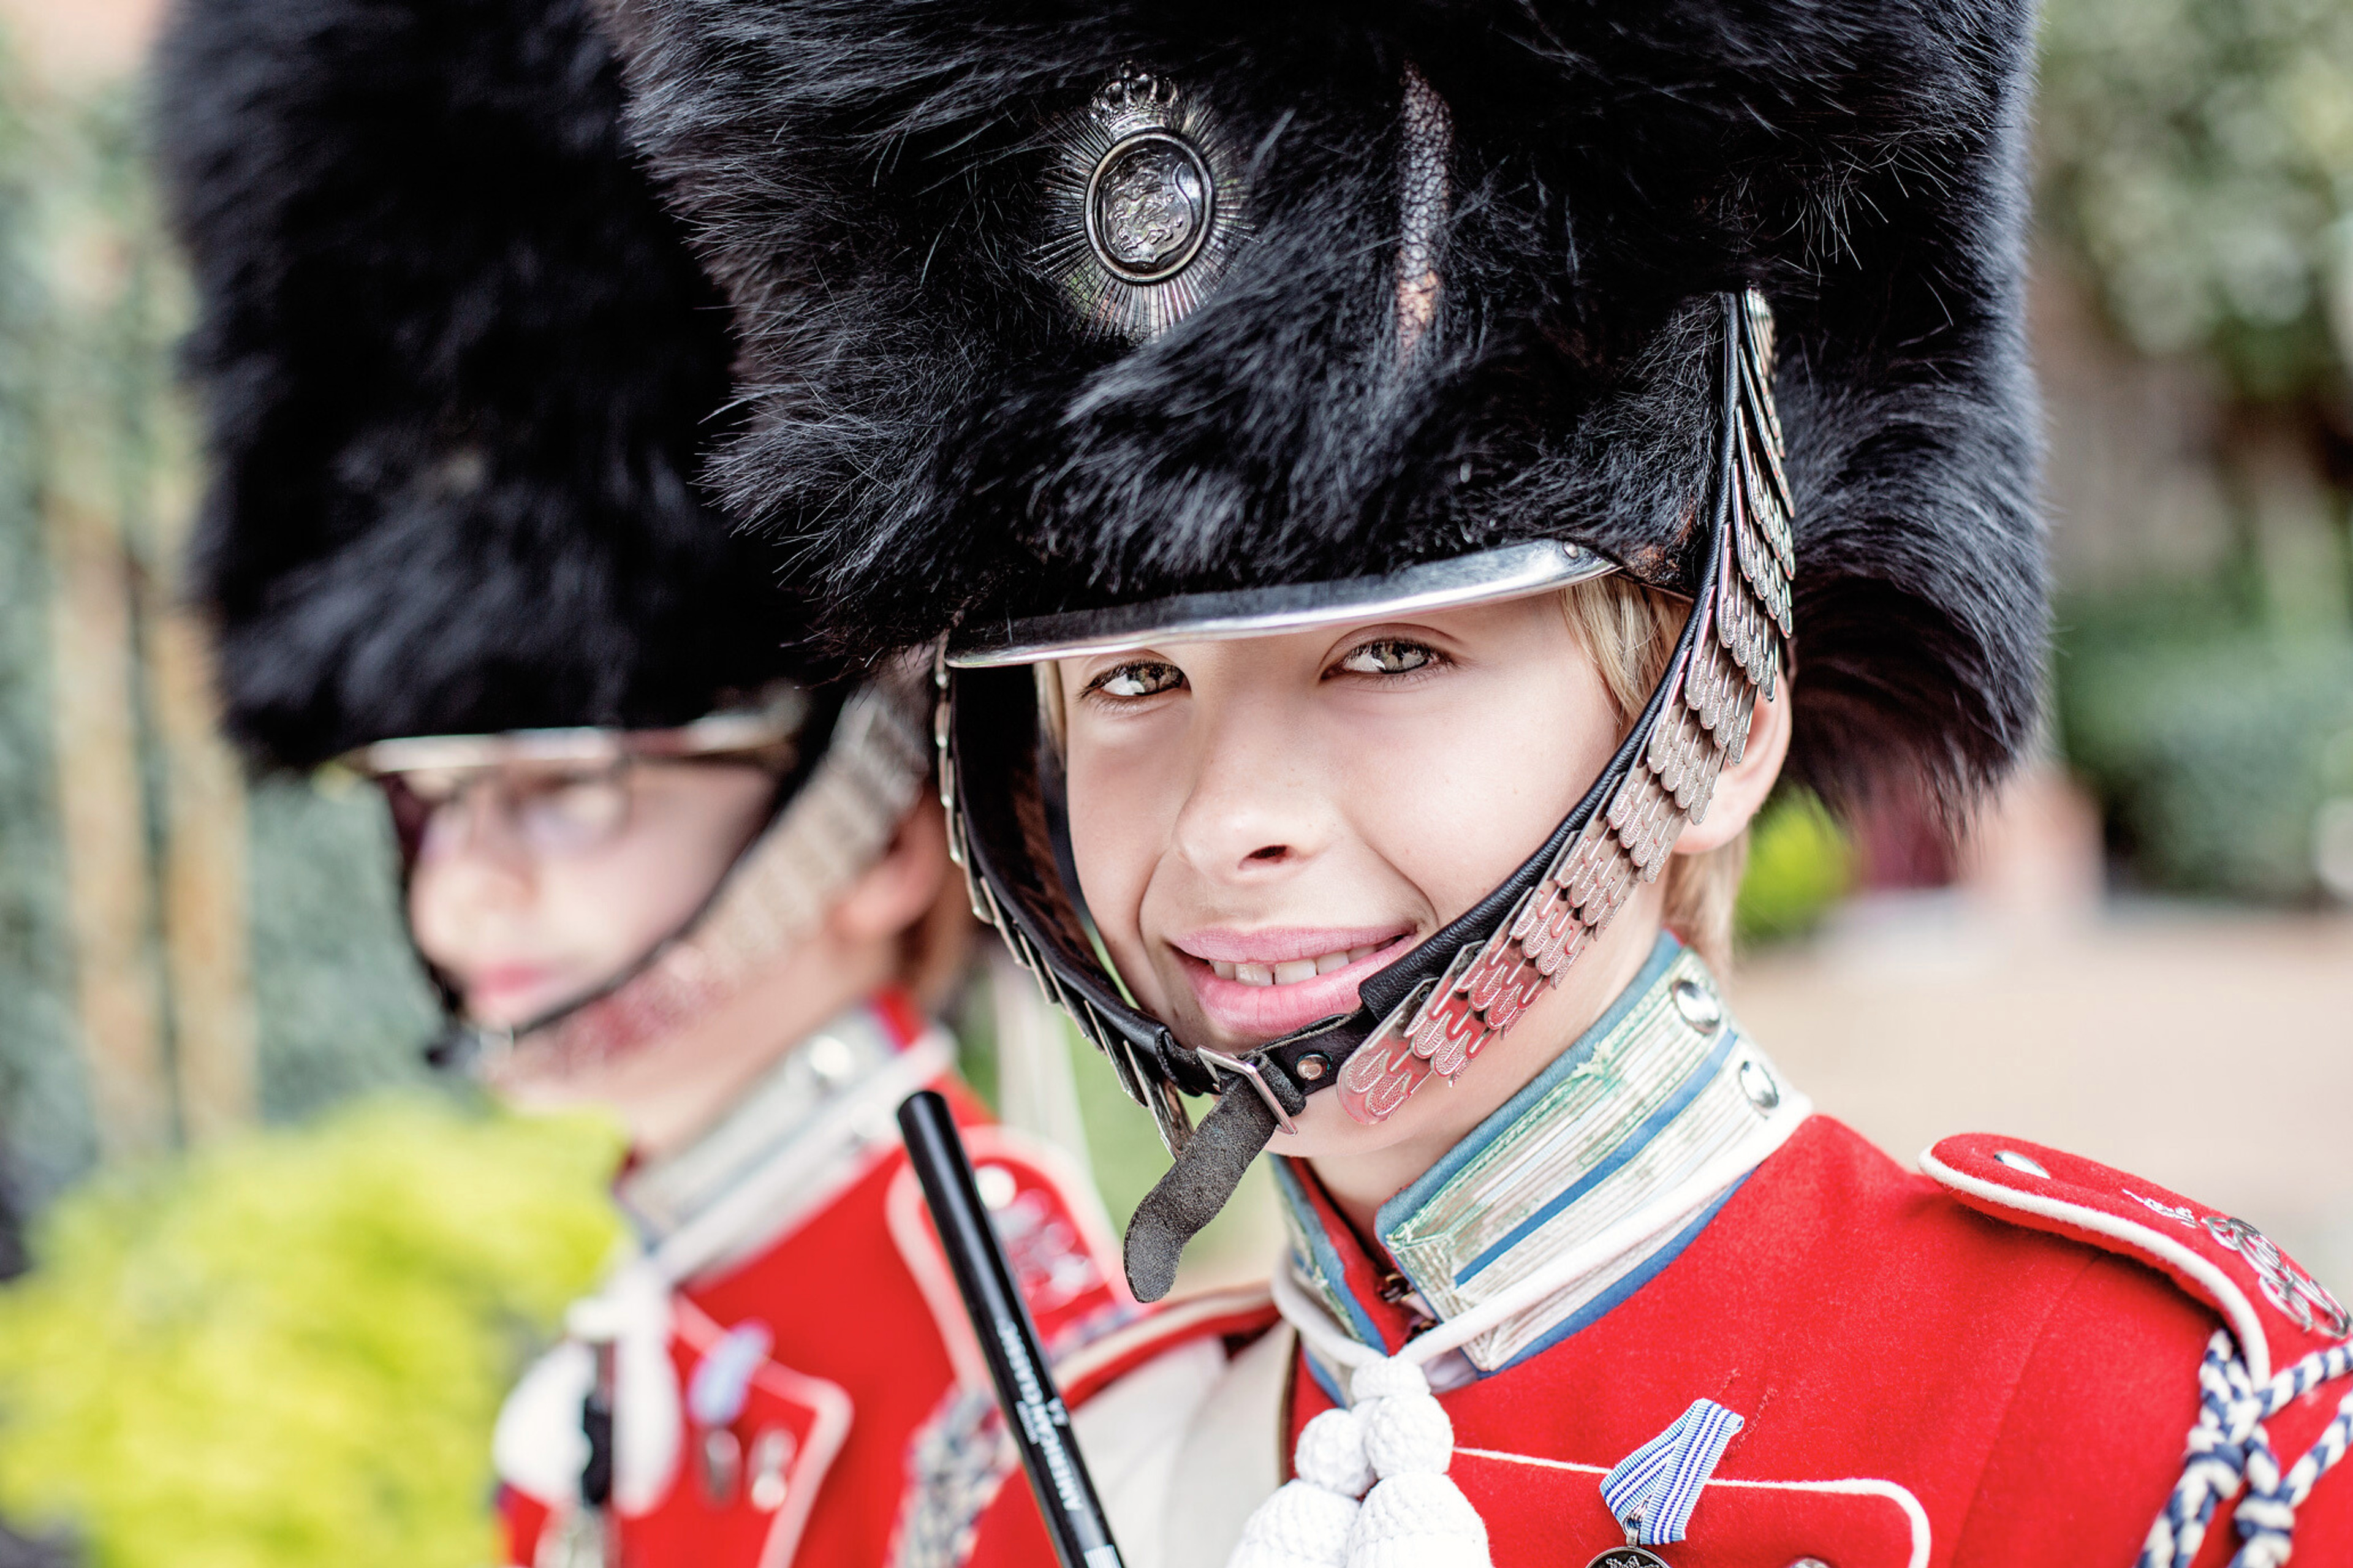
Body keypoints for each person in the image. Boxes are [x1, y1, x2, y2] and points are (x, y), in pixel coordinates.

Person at [602, 2, 2353, 1566]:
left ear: (1727, 720)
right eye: (1133, 683)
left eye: (1392, 656)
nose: (1226, 824)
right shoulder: (1052, 1485)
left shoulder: (2142, 1435)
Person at [151, 2, 1143, 1564]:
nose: (464, 886)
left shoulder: (1010, 1329)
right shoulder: (646, 1315)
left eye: (574, 787)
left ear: (877, 828)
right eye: (433, 797)